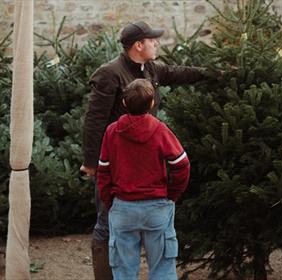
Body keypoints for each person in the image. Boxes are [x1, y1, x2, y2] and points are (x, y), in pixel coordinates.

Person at [80, 21, 206, 279]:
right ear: (138, 45)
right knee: (105, 226)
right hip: (117, 166)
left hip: (148, 165)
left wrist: (212, 73)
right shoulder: (110, 73)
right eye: (152, 40)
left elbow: (176, 72)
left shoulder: (148, 68)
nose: (157, 43)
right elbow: (94, 120)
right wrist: (92, 162)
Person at [97, 79, 189, 280]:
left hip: (123, 208)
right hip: (157, 207)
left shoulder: (112, 131)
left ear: (123, 104)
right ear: (151, 104)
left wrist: (109, 201)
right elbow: (182, 165)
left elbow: (103, 171)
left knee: (123, 272)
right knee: (163, 270)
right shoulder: (160, 130)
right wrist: (172, 195)